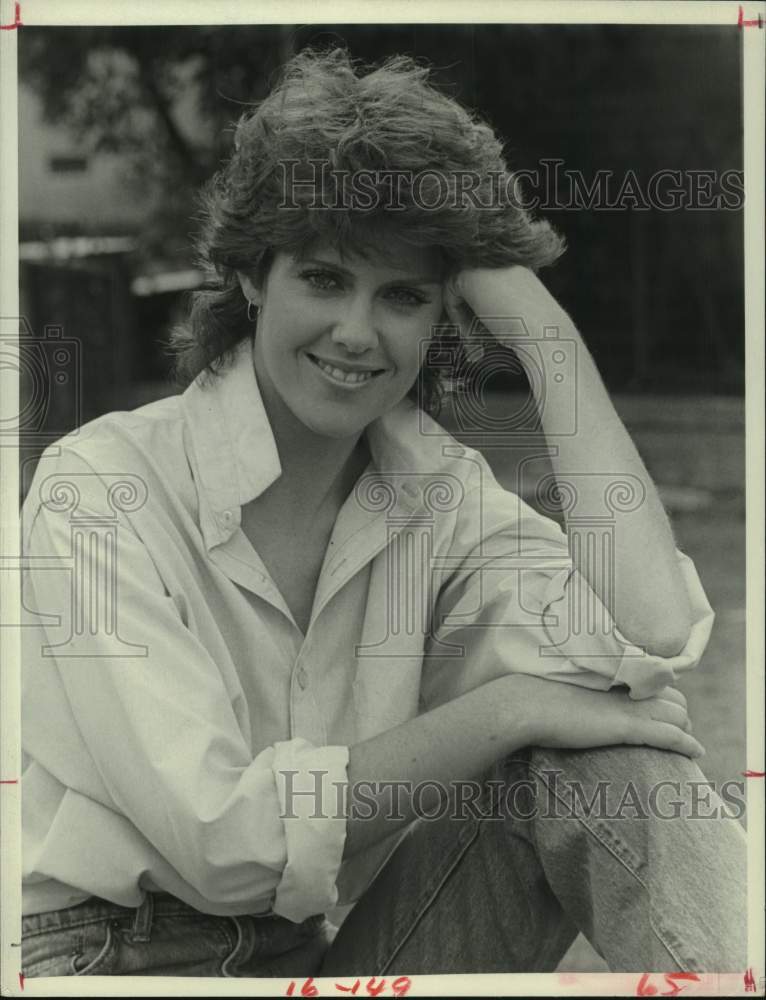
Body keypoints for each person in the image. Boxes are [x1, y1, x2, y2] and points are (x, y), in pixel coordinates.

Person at [20, 46, 746, 979]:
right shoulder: (99, 489)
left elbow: (644, 644)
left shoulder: (436, 499)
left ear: (443, 312)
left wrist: (545, 336)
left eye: (403, 295)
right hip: (100, 960)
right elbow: (223, 836)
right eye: (324, 279)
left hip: (310, 957)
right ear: (251, 276)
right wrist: (508, 708)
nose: (359, 333)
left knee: (611, 765)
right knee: (548, 733)